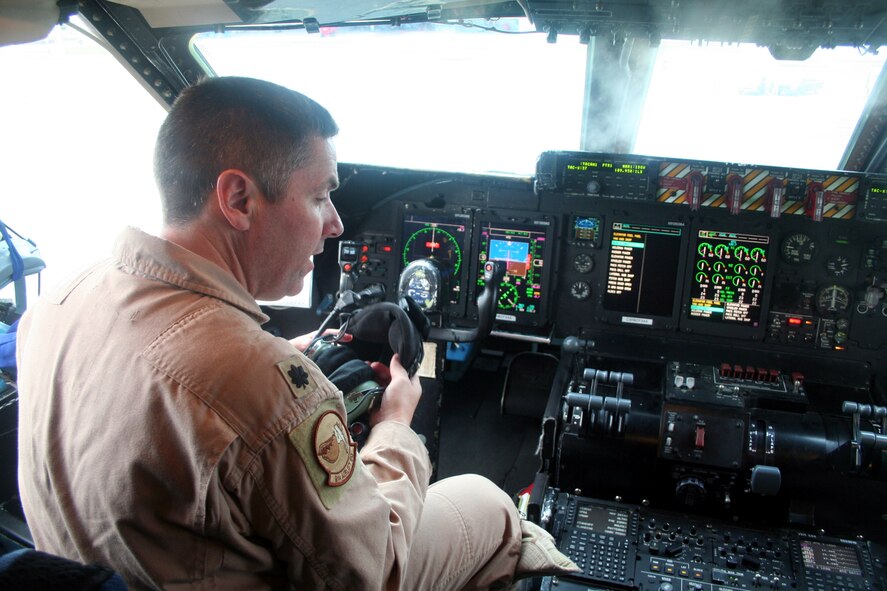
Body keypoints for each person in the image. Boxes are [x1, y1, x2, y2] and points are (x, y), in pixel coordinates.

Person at [16, 76, 577, 590]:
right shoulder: (256, 383)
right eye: (318, 197)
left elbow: (166, 380)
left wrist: (285, 357)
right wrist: (398, 425)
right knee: (489, 503)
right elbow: (375, 570)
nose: (334, 224)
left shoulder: (58, 300)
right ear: (238, 199)